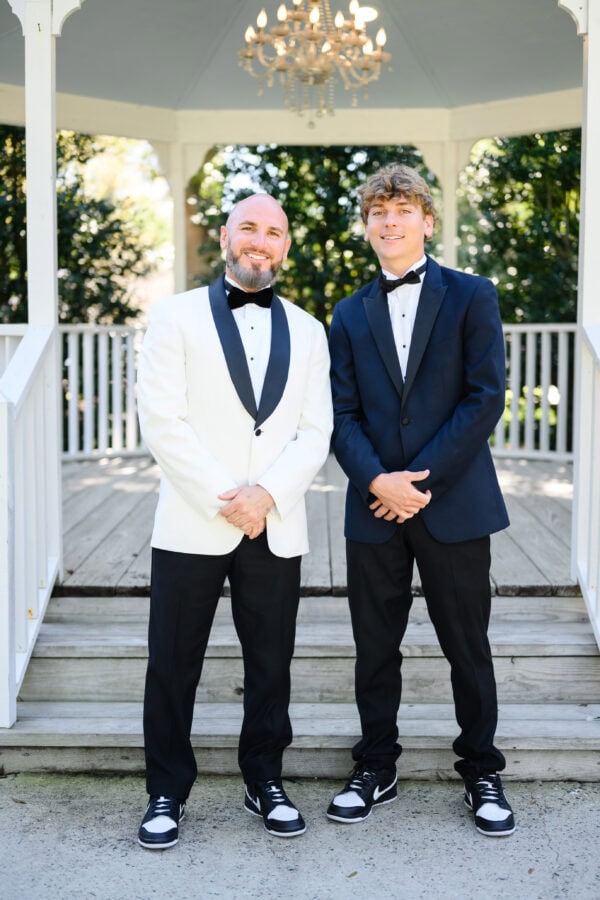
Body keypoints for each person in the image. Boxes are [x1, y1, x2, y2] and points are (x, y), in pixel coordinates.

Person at [136, 193, 333, 848]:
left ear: (284, 247)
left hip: (273, 523)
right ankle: (166, 789)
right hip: (196, 517)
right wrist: (229, 495)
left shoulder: (309, 329)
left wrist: (267, 494)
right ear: (225, 236)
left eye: (273, 231)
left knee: (271, 662)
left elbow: (315, 430)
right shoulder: (173, 316)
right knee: (172, 661)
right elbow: (163, 421)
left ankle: (265, 778)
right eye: (248, 227)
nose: (260, 240)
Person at [327, 163, 515, 837]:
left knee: (468, 643)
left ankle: (483, 769)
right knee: (374, 646)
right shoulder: (348, 313)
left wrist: (420, 483)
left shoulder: (472, 296)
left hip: (455, 503)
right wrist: (379, 481)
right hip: (372, 507)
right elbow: (341, 413)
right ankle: (376, 764)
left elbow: (484, 397)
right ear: (368, 225)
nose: (390, 221)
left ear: (427, 221)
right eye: (379, 211)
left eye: (403, 209)